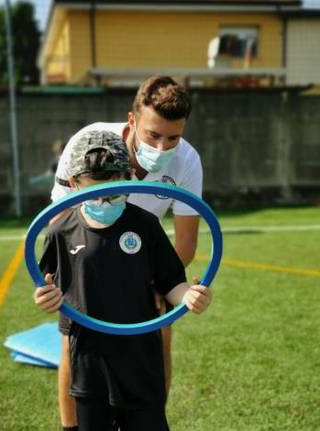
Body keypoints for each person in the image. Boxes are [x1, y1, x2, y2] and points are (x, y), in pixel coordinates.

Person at [50, 76, 203, 430]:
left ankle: (144, 421)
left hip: (144, 259)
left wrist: (158, 288)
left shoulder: (187, 161)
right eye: (153, 135)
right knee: (73, 345)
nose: (163, 146)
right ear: (131, 122)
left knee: (159, 340)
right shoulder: (86, 145)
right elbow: (60, 221)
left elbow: (185, 243)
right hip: (88, 255)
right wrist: (72, 284)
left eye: (173, 137)